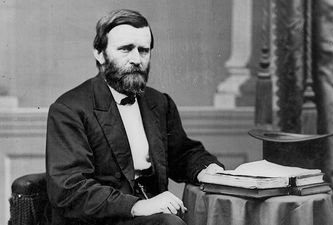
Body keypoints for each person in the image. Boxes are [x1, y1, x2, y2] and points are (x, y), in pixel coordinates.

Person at [45, 9, 224, 225]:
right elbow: (69, 189)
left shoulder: (158, 102)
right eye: (126, 49)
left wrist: (208, 170)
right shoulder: (69, 109)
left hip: (152, 217)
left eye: (144, 50)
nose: (137, 59)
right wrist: (137, 206)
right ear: (99, 53)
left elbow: (182, 154)